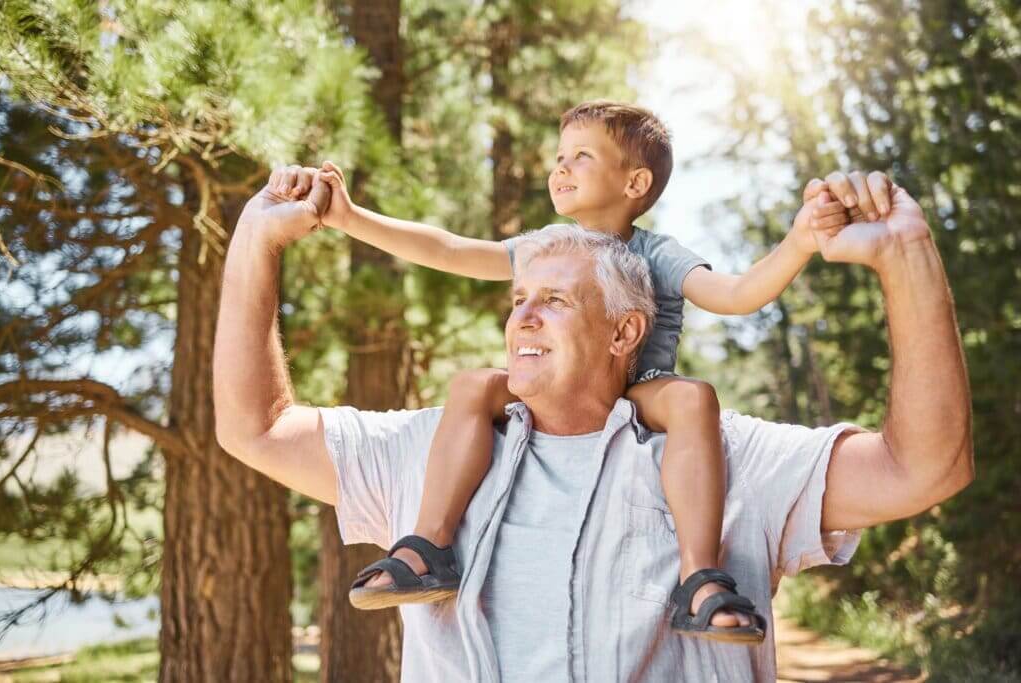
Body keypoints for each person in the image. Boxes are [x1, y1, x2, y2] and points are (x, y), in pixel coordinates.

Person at [213, 168, 973, 681]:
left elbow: (926, 466)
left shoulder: (721, 454)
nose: (523, 317)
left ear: (623, 333)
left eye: (555, 301)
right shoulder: (435, 445)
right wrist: (256, 239)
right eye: (517, 300)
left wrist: (905, 254)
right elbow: (255, 426)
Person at [265, 101, 853, 642]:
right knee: (473, 385)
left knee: (693, 398)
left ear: (635, 183)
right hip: (553, 389)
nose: (561, 168)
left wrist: (801, 241)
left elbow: (737, 294)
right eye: (559, 157)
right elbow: (448, 249)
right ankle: (428, 548)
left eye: (581, 156)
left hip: (636, 390)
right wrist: (350, 217)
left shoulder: (658, 253)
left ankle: (699, 576)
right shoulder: (546, 244)